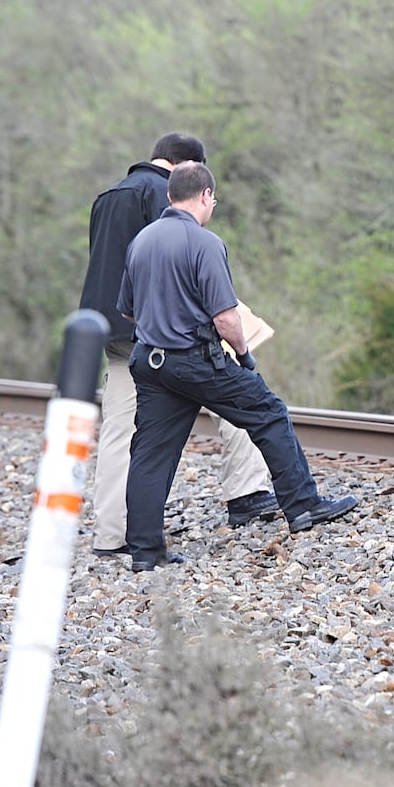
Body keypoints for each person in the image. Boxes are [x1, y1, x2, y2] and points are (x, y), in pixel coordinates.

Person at [118, 162, 358, 572]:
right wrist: (244, 355)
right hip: (194, 359)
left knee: (150, 455)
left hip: (151, 362)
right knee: (268, 413)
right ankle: (303, 506)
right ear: (207, 195)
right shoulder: (204, 243)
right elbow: (226, 317)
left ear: (169, 195)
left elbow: (127, 311)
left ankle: (145, 552)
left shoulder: (141, 241)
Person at [76, 133, 278, 558]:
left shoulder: (105, 198)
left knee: (119, 431)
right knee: (243, 388)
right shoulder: (163, 195)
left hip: (111, 327)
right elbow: (174, 264)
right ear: (185, 170)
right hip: (161, 333)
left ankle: (113, 535)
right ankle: (247, 493)